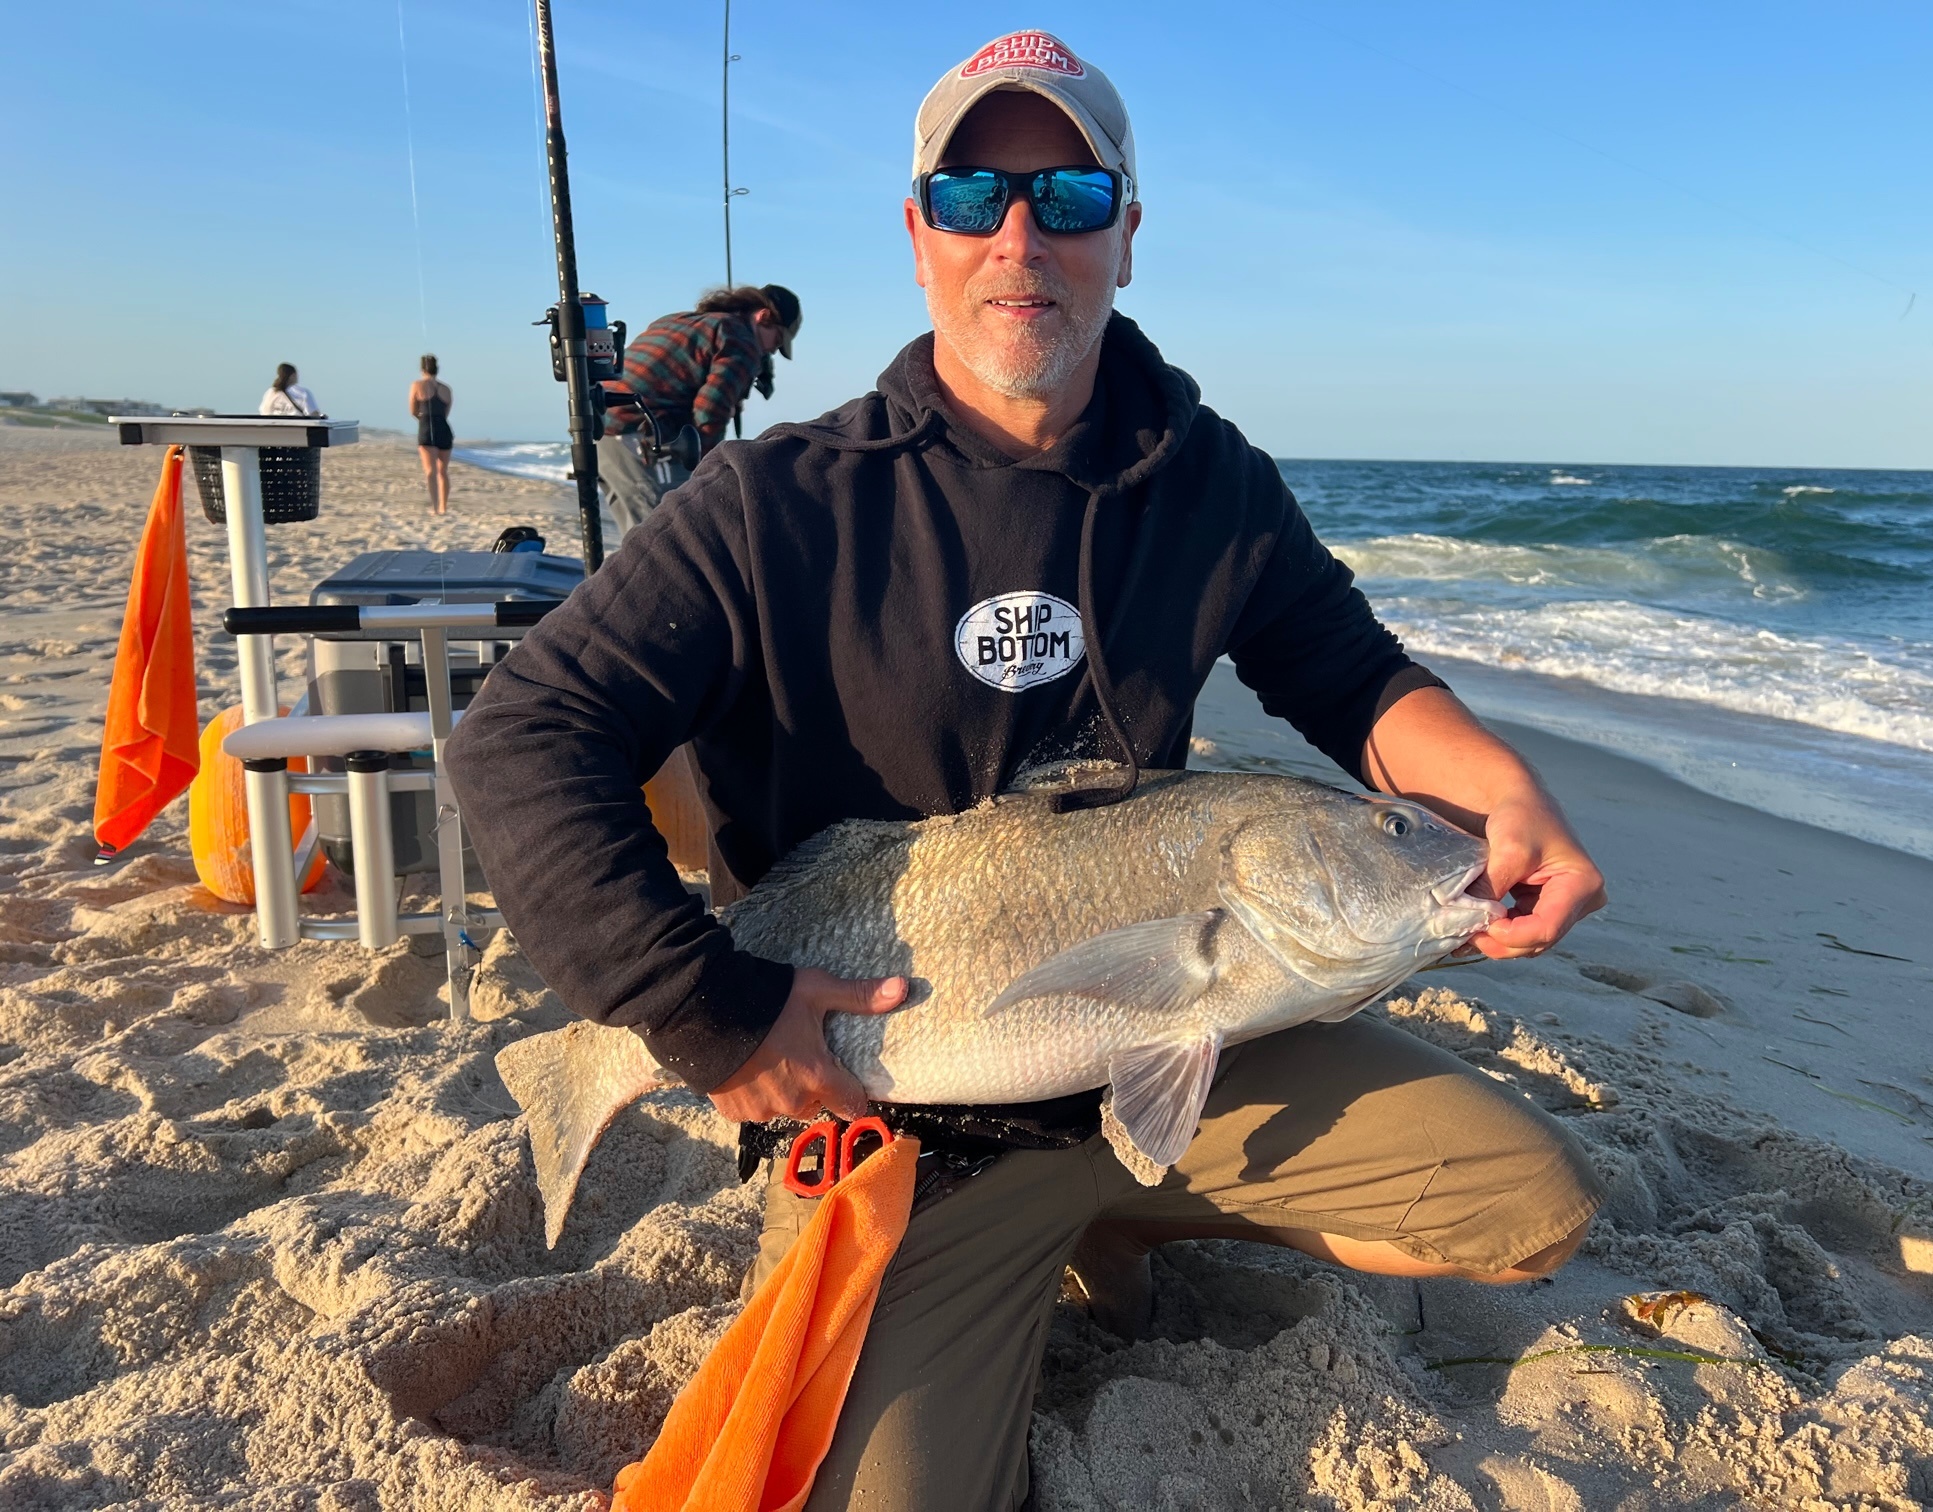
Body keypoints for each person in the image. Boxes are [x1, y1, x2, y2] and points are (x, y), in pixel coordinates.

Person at [449, 30, 1606, 1511]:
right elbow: (525, 735)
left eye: (1066, 196)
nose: (1020, 236)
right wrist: (703, 1010)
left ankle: (1127, 1219)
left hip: (1176, 1051)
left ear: (1126, 236)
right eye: (970, 194)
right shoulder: (770, 503)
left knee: (1531, 1209)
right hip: (905, 1119)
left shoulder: (1206, 478)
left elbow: (1353, 678)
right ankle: (1030, 1234)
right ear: (917, 235)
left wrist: (1500, 797)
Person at [595, 283, 802, 541]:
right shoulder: (741, 340)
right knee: (667, 539)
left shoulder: (682, 319)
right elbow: (710, 411)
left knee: (633, 539)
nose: (771, 351)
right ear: (763, 317)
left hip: (601, 427)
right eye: (777, 341)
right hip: (640, 435)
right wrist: (710, 471)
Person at [409, 355, 454, 515]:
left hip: (427, 428)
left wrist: (422, 419)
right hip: (444, 428)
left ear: (422, 370)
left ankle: (435, 507)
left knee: (430, 471)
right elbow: (446, 412)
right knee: (443, 471)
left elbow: (413, 410)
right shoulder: (446, 389)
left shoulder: (417, 385)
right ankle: (443, 506)